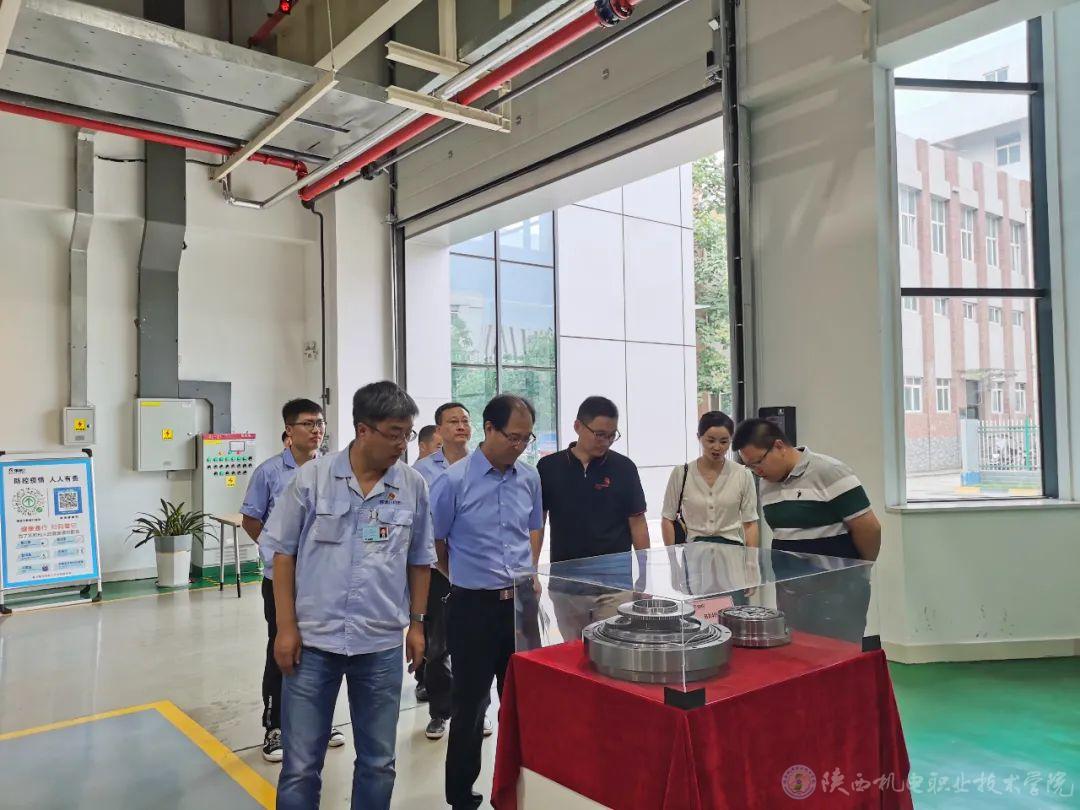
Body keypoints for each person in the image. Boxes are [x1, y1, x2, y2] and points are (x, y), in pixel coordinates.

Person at [261, 381, 434, 810]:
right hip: (313, 642)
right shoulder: (313, 479)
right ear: (363, 430)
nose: (402, 444)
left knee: (378, 762)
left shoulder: (412, 485)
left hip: (379, 644)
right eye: (393, 433)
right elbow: (283, 555)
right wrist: (285, 628)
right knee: (301, 765)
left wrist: (417, 625)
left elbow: (420, 560)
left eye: (408, 434)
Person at [430, 395, 543, 810]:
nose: (520, 445)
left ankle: (517, 790)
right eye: (513, 437)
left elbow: (534, 527)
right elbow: (436, 544)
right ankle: (461, 796)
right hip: (472, 607)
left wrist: (529, 573)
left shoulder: (529, 477)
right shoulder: (452, 482)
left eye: (526, 438)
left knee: (523, 702)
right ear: (489, 428)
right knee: (470, 705)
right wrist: (466, 578)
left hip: (520, 606)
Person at [240, 399, 345, 763]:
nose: (317, 430)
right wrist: (276, 552)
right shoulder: (269, 472)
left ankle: (320, 721)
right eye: (308, 423)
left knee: (323, 650)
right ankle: (276, 726)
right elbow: (251, 519)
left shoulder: (334, 470)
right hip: (282, 581)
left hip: (322, 579)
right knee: (282, 646)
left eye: (320, 423)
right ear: (289, 430)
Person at [732, 418, 881, 646]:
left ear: (779, 446)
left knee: (837, 655)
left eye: (758, 462)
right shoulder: (767, 482)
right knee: (799, 654)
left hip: (837, 592)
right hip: (791, 592)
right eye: (749, 467)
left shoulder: (829, 471)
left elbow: (869, 528)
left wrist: (859, 570)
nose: (757, 471)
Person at [536, 396, 649, 641]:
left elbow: (637, 523)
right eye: (599, 434)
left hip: (615, 584)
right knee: (573, 650)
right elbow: (538, 524)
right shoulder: (548, 467)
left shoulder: (624, 468)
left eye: (611, 435)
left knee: (612, 648)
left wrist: (644, 572)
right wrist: (531, 572)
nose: (605, 441)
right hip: (566, 582)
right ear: (578, 426)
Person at [411, 402, 480, 741]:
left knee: (474, 646)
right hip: (436, 570)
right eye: (453, 421)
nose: (461, 426)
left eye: (465, 420)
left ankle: (476, 711)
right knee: (436, 647)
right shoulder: (422, 471)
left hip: (474, 570)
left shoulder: (482, 465)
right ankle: (440, 711)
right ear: (439, 430)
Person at [661, 411, 759, 548]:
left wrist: (751, 559)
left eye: (724, 442)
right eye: (711, 440)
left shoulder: (742, 474)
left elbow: (750, 523)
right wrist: (671, 557)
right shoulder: (681, 473)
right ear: (699, 437)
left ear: (731, 440)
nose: (717, 447)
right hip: (694, 552)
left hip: (732, 552)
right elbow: (668, 518)